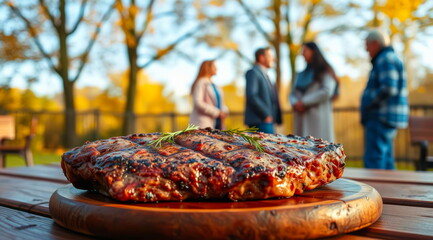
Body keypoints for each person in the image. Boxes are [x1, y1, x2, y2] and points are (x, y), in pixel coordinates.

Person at [361, 29, 409, 169]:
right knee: (386, 160)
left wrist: (368, 102)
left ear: (375, 43)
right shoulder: (390, 58)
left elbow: (389, 88)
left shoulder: (385, 59)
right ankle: (389, 191)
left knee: (374, 160)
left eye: (367, 45)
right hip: (387, 117)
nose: (366, 49)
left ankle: (374, 191)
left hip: (380, 117)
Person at [289, 42, 338, 142]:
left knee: (319, 148)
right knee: (302, 150)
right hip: (301, 116)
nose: (302, 54)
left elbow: (327, 91)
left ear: (313, 52)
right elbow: (292, 93)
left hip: (317, 118)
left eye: (305, 51)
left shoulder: (325, 71)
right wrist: (295, 103)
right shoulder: (300, 75)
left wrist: (304, 102)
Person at [244, 47, 282, 134]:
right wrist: (266, 115)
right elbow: (252, 95)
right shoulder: (253, 72)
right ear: (261, 57)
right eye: (270, 56)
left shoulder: (265, 75)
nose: (273, 59)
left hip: (267, 121)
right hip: (259, 121)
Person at [189, 60, 228, 129]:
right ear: (208, 68)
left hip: (218, 123)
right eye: (214, 66)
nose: (216, 69)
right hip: (204, 123)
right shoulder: (201, 83)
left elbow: (220, 103)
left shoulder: (215, 85)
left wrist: (225, 110)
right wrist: (217, 112)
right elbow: (198, 103)